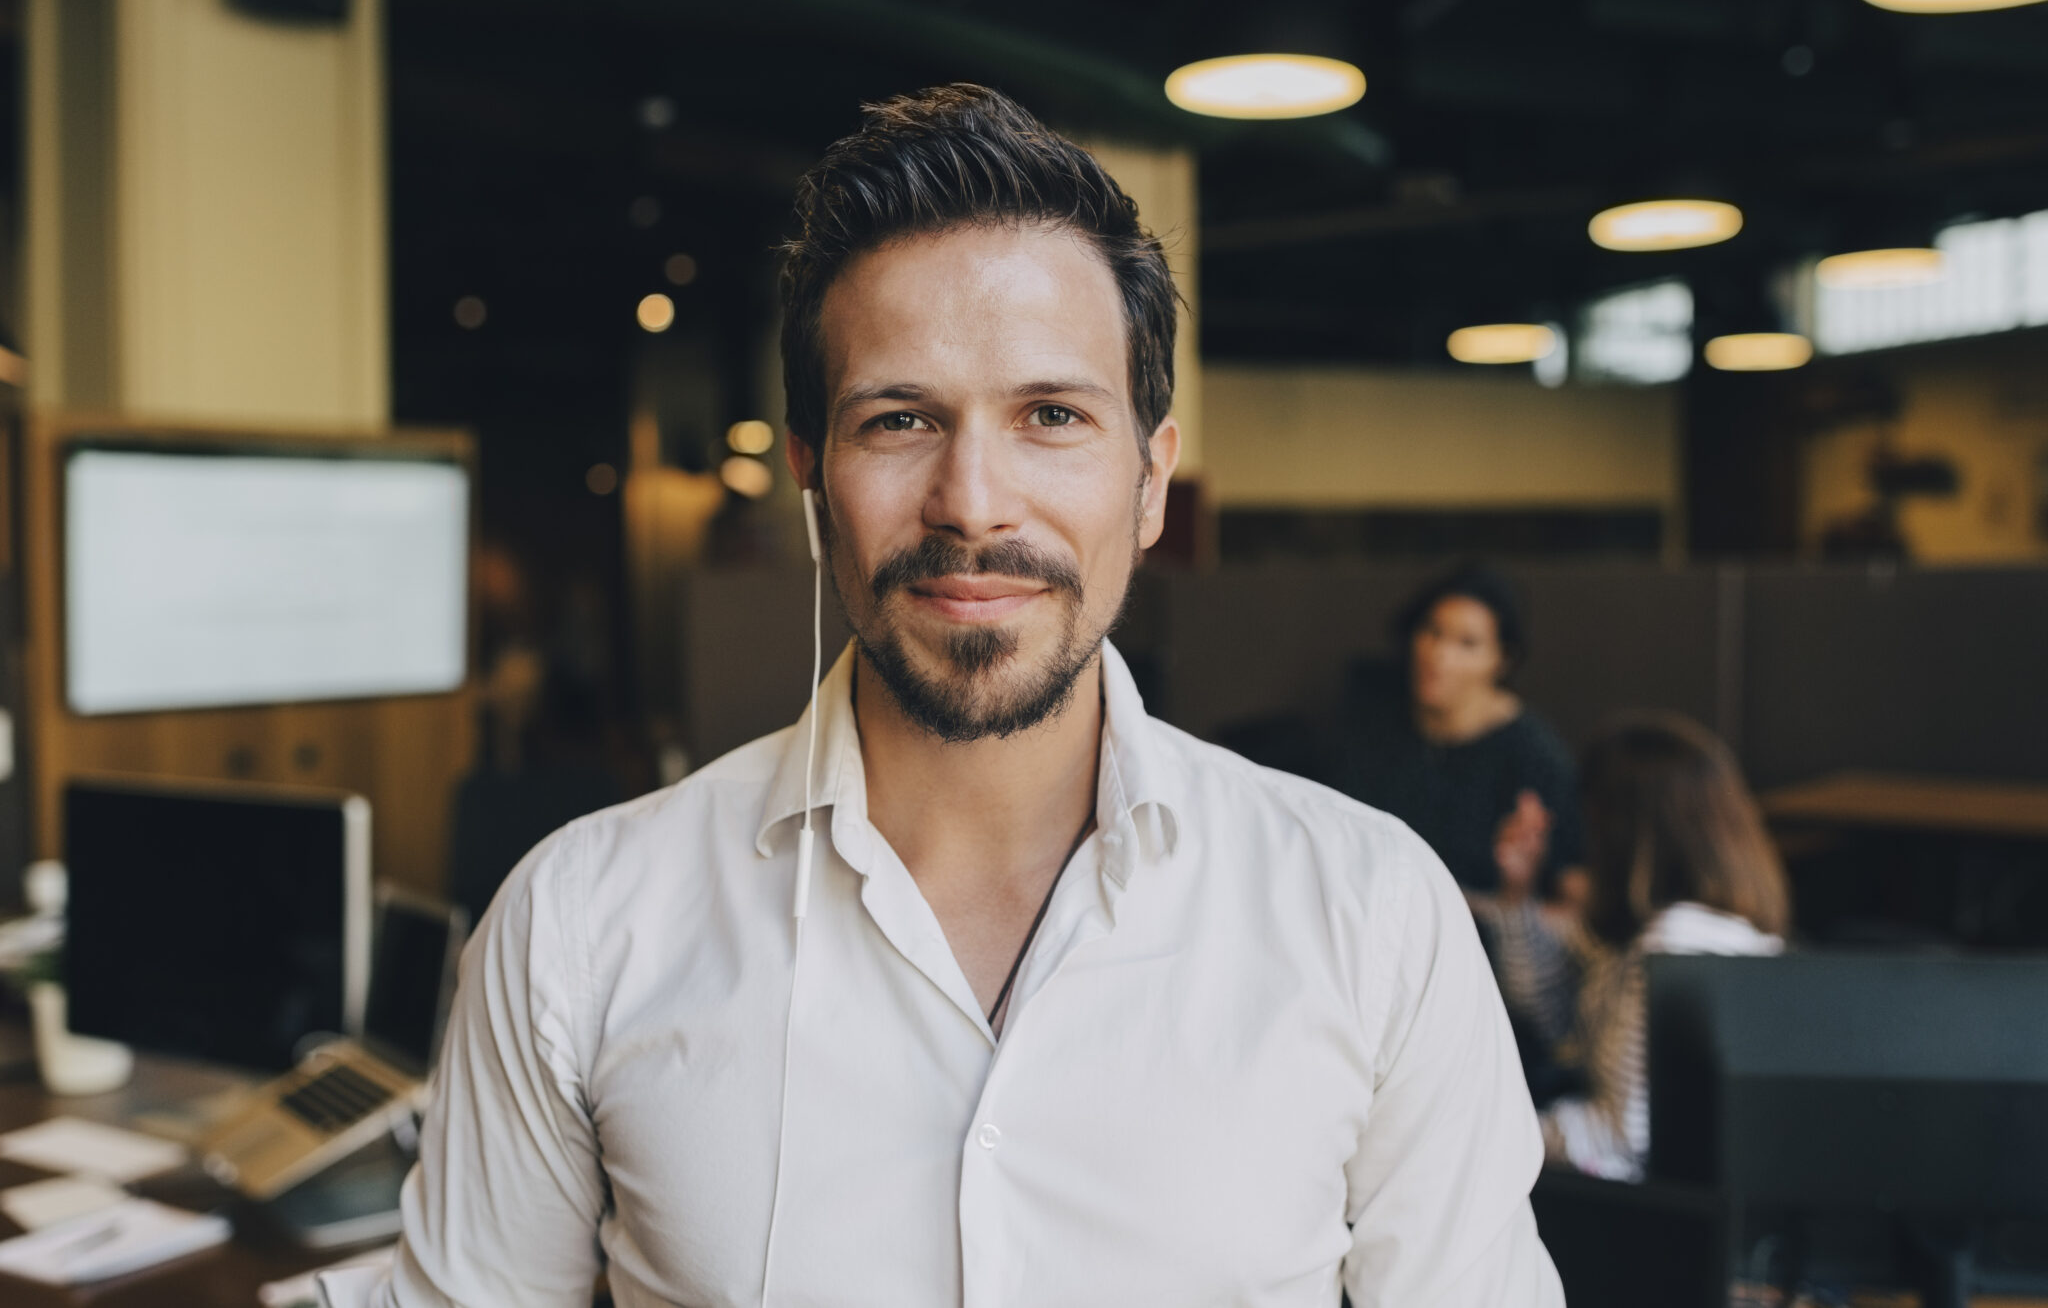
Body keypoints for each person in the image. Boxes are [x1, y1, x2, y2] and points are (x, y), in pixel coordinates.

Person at [332, 85, 1559, 1307]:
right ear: (811, 479)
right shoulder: (575, 930)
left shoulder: (1371, 914)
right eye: (901, 419)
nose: (972, 501)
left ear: (1149, 483)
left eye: (1051, 417)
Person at [1477, 711, 1790, 1183]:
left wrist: (1481, 1131)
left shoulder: (1682, 945)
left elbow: (1622, 1137)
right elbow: (1558, 1029)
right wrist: (1518, 898)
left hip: (1649, 1213)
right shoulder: (1660, 926)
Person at [1339, 563, 1587, 904]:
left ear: (1502, 661)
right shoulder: (1374, 726)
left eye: (1467, 643)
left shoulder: (1534, 758)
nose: (1439, 655)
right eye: (1432, 631)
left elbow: (1573, 898)